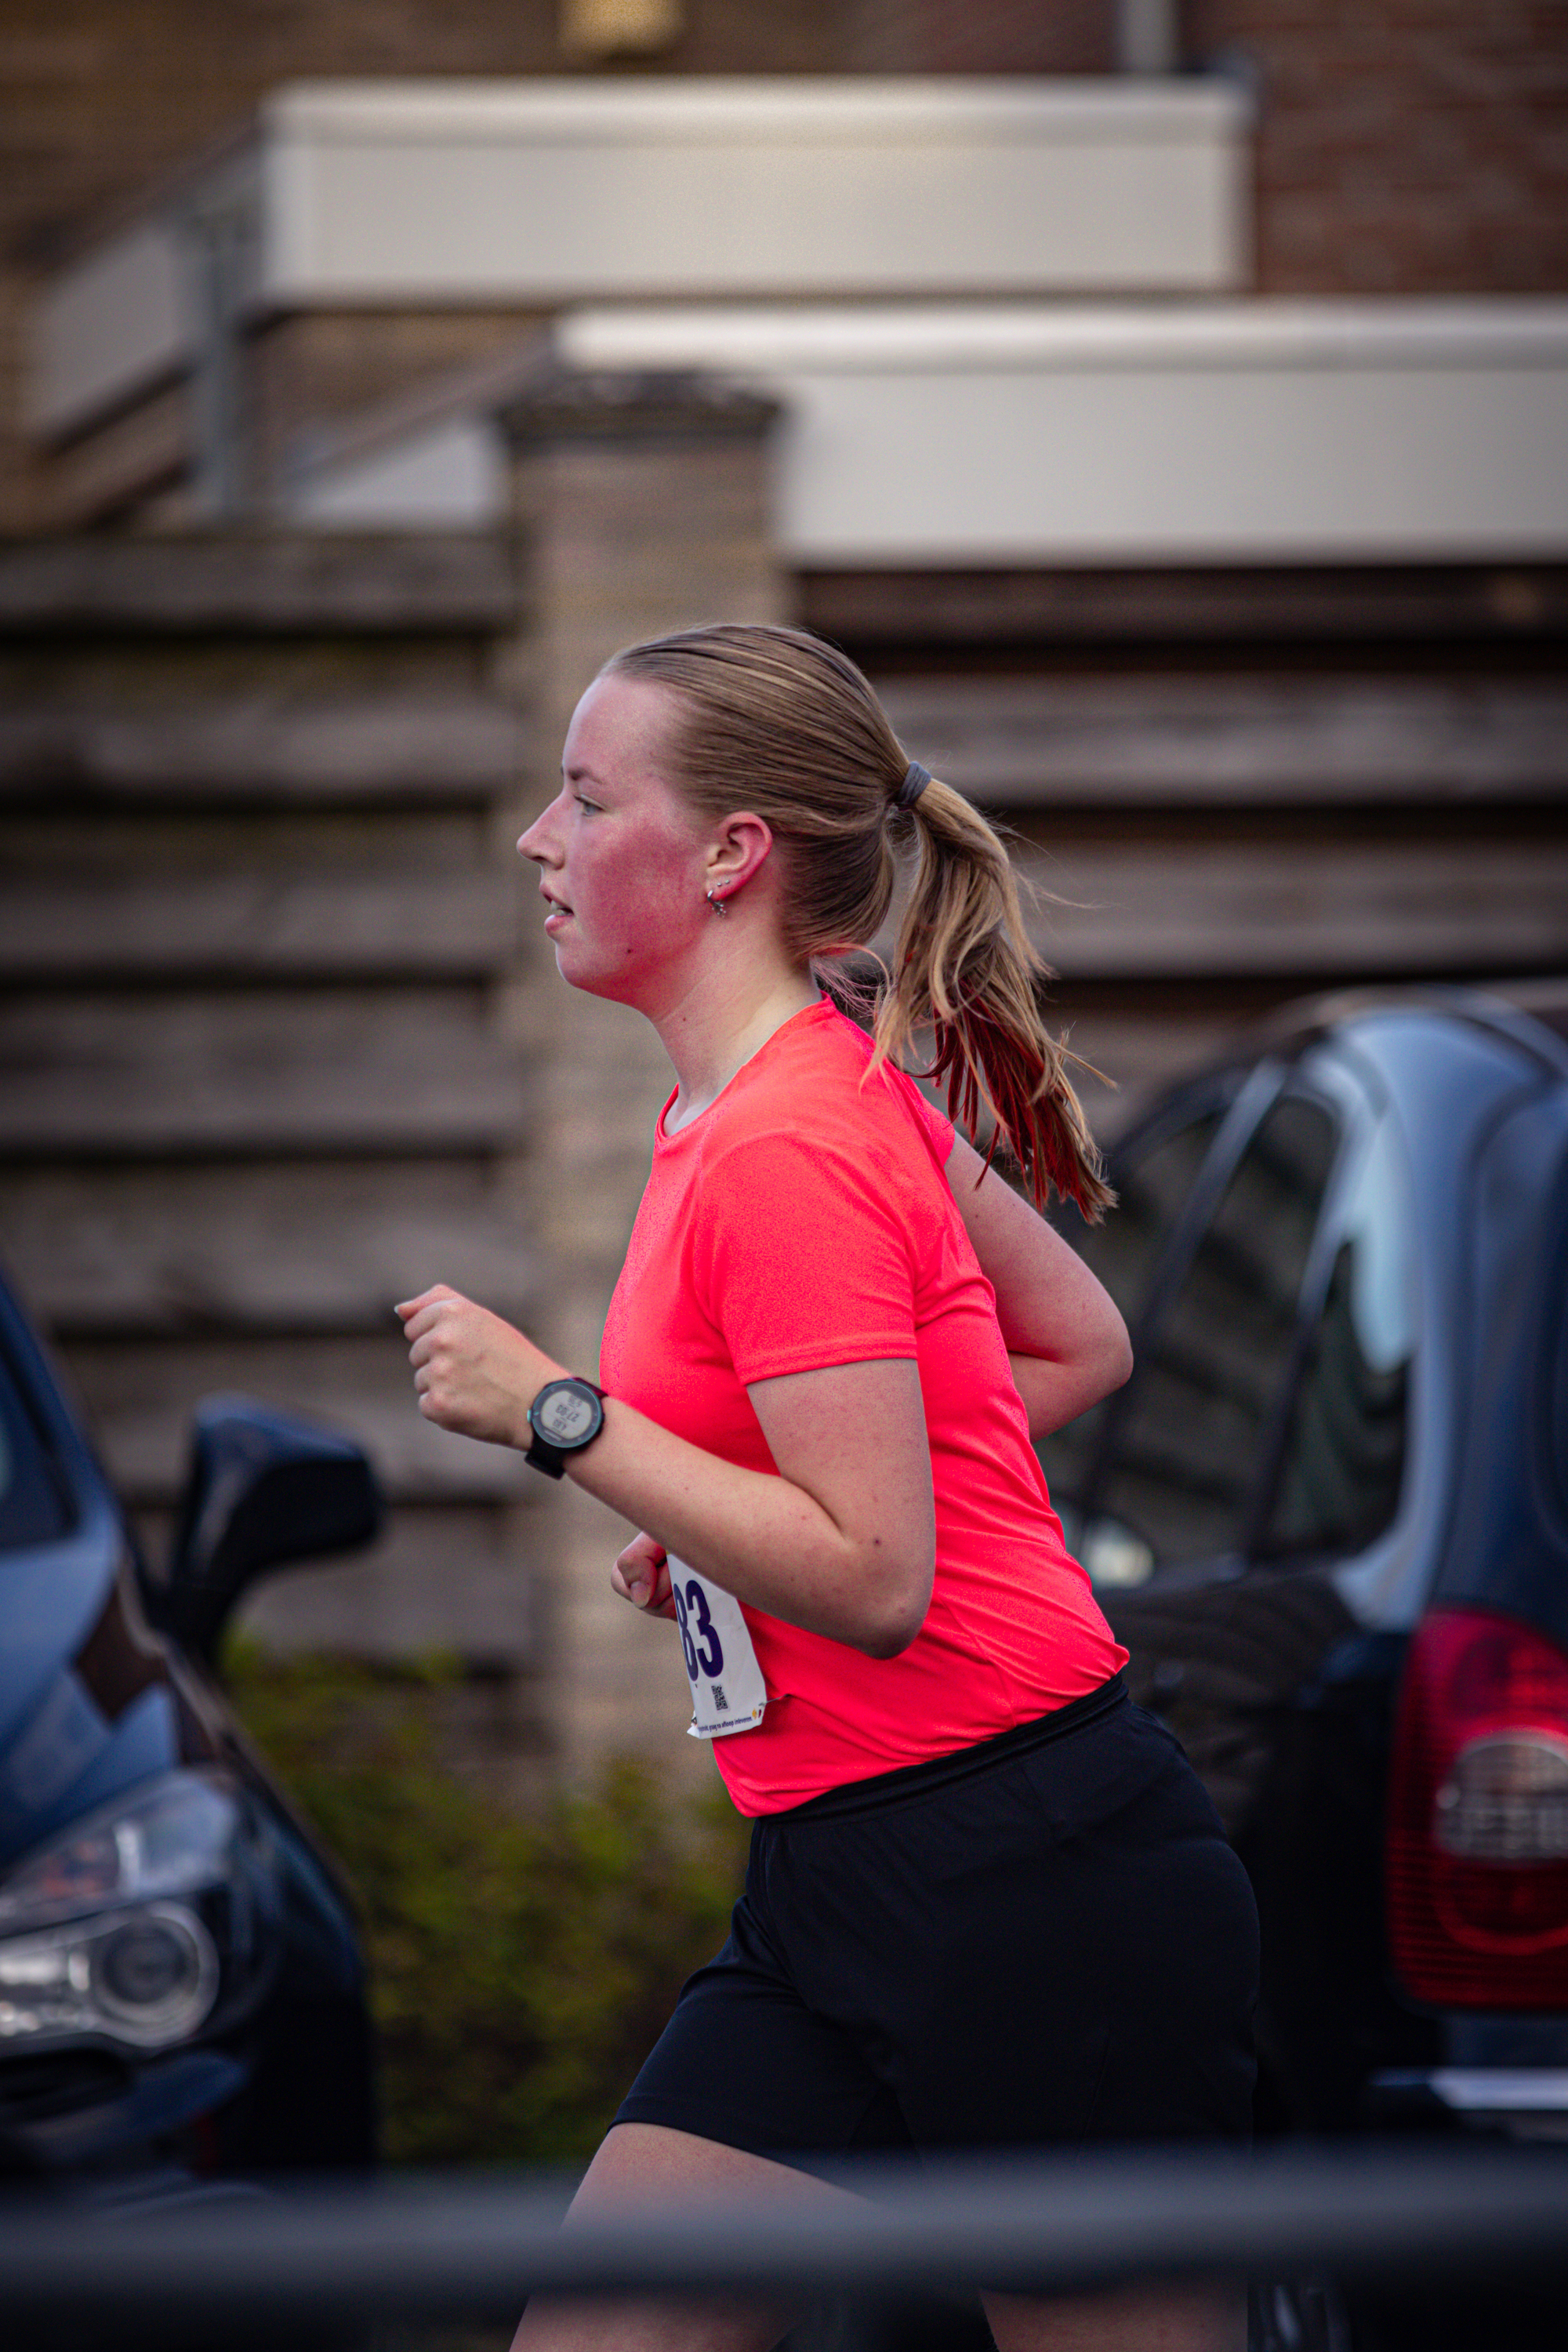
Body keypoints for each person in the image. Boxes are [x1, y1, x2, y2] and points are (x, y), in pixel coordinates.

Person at [397, 623, 1259, 2352]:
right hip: (835, 1880)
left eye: (583, 797)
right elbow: (1077, 1341)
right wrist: (719, 1512)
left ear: (729, 857)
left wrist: (561, 1419)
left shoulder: (790, 1138)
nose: (536, 841)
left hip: (1027, 1873)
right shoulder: (776, 1096)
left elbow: (874, 1576)